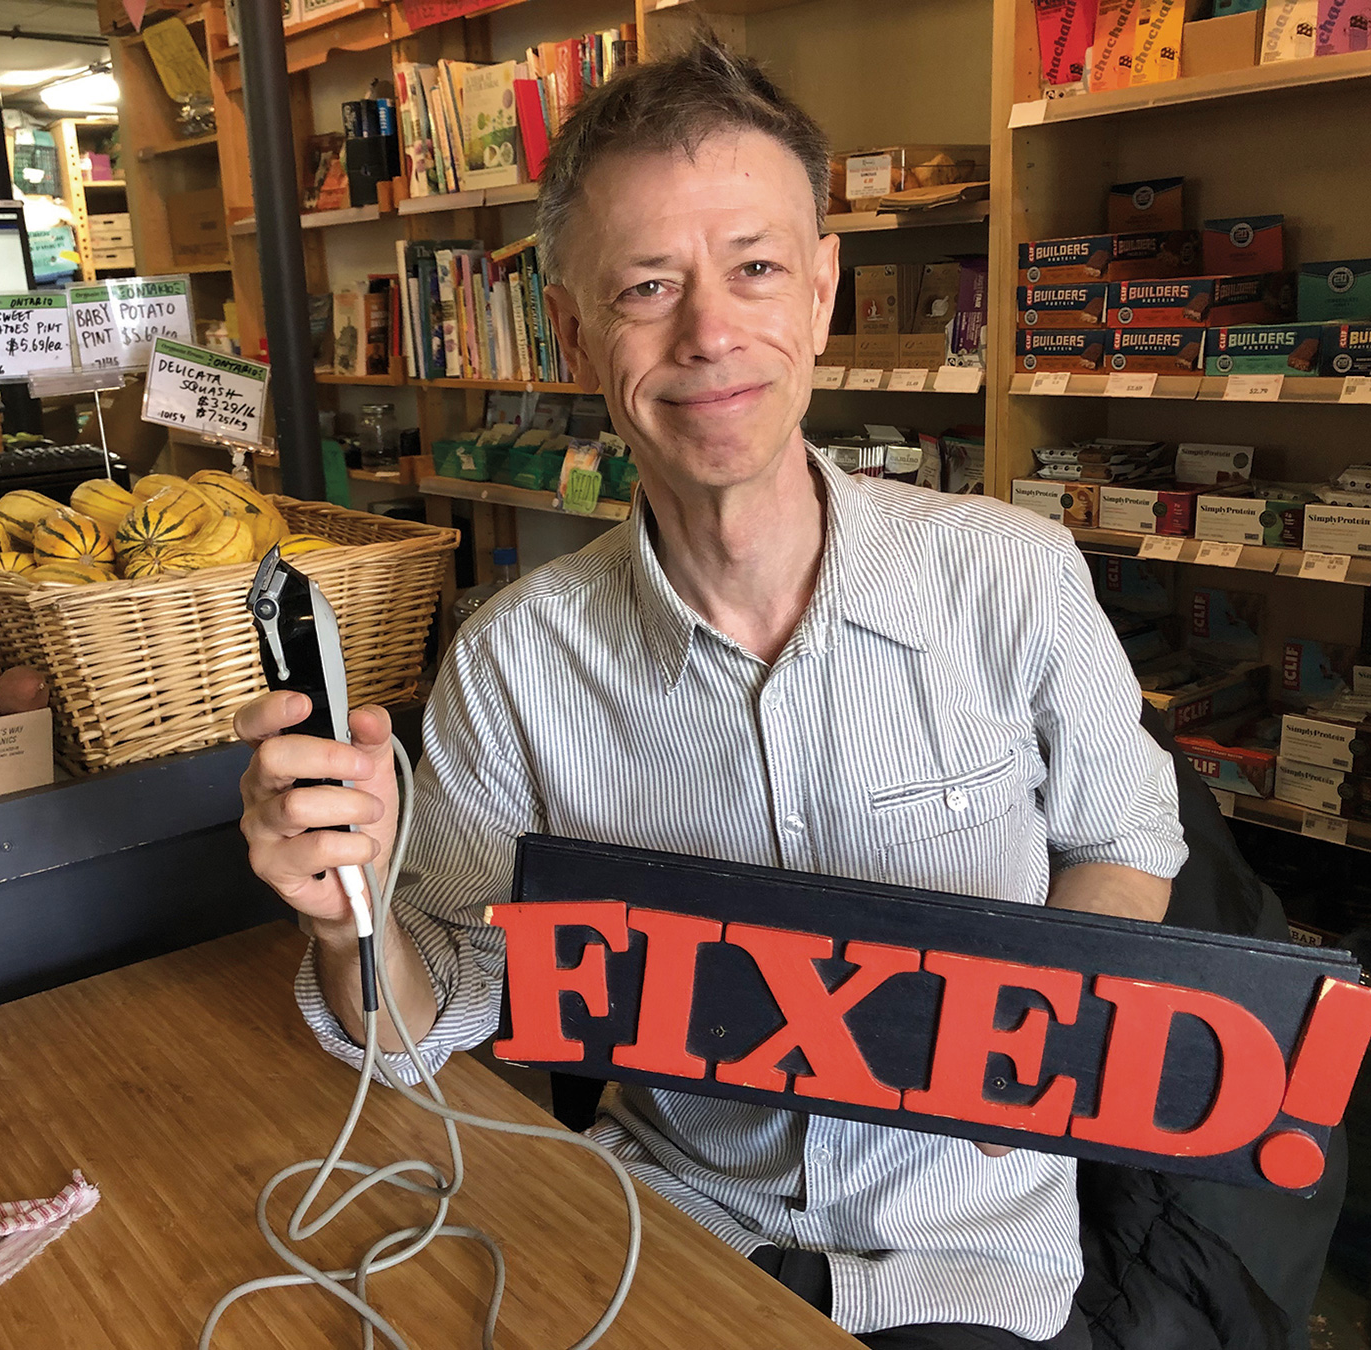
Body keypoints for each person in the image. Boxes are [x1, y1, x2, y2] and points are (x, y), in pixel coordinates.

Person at [235, 37, 1186, 1350]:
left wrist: (1028, 1035)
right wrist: (347, 917)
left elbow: (1124, 839)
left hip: (969, 1265)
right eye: (646, 286)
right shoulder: (514, 663)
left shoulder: (1013, 577)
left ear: (822, 291)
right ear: (575, 333)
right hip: (667, 1236)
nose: (710, 334)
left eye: (754, 269)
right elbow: (417, 1025)